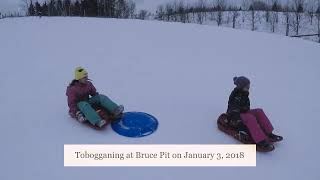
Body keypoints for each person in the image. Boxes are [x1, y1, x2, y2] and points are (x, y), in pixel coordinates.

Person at [227, 76, 283, 151]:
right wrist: (242, 113)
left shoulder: (244, 93)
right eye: (246, 86)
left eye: (248, 85)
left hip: (242, 113)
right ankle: (260, 140)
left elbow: (246, 107)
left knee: (258, 111)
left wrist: (245, 110)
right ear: (241, 86)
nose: (248, 87)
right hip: (234, 117)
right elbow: (233, 109)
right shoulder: (236, 95)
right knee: (250, 118)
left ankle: (268, 133)